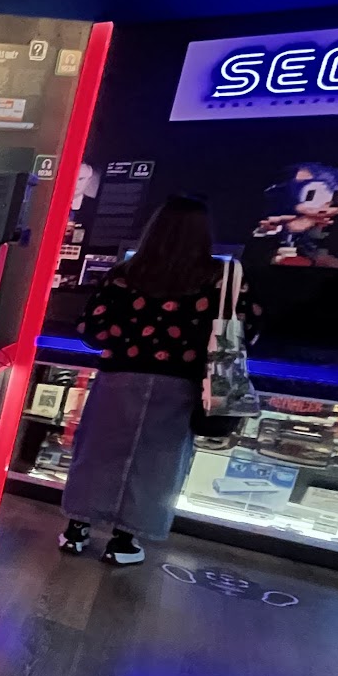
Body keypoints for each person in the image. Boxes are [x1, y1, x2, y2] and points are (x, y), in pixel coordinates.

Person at [60, 195, 258, 565]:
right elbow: (246, 331)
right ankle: (124, 542)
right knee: (158, 465)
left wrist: (128, 336)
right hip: (182, 385)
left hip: (119, 378)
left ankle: (76, 530)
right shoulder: (225, 277)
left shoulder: (125, 273)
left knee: (97, 454)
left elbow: (91, 330)